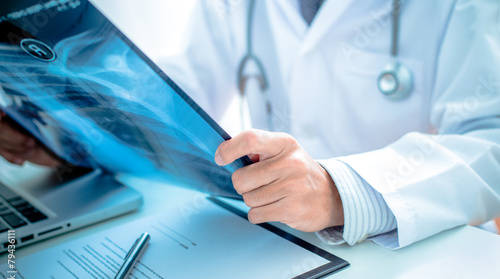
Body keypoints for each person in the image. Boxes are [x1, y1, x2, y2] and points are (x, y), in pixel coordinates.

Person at [1, 0, 500, 249]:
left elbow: (491, 140)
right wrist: (60, 125)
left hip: (416, 251)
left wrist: (340, 191)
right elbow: (181, 93)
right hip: (275, 240)